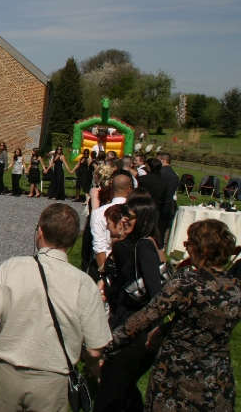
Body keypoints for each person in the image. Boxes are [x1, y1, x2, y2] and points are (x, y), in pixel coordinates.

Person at [0, 203, 112, 412]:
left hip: (9, 372)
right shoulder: (84, 284)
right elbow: (95, 349)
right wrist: (93, 365)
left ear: (40, 232)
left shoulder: (11, 267)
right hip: (53, 378)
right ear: (72, 241)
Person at [104, 219, 241, 411]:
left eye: (189, 244)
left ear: (202, 250)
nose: (187, 249)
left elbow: (144, 318)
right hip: (217, 375)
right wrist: (164, 328)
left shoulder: (187, 281)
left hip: (177, 372)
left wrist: (105, 346)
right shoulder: (235, 288)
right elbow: (204, 319)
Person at [96, 197, 164, 412]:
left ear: (143, 219)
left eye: (129, 216)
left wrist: (153, 329)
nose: (123, 219)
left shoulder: (140, 246)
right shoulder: (141, 244)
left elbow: (155, 292)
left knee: (110, 393)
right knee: (122, 389)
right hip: (128, 321)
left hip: (133, 326)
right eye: (123, 214)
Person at [91, 174, 132, 272]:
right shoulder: (134, 211)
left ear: (112, 188)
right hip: (129, 263)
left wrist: (103, 272)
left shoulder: (99, 212)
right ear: (129, 189)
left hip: (106, 262)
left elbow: (99, 246)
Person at [136, 158, 169, 246]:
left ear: (149, 168)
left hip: (140, 208)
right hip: (155, 210)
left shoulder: (142, 180)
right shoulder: (164, 183)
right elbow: (163, 200)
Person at [157, 152, 179, 242]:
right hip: (169, 204)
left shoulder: (161, 173)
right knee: (161, 232)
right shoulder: (175, 175)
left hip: (160, 204)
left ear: (163, 160)